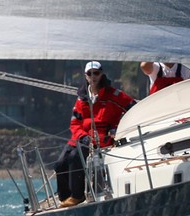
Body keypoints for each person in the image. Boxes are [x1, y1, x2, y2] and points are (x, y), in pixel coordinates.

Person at [55, 61, 136, 207]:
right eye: (90, 74)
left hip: (101, 139)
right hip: (81, 138)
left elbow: (133, 108)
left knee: (75, 158)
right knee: (60, 164)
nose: (93, 76)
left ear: (102, 74)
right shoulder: (81, 98)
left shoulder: (114, 95)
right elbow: (74, 123)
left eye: (96, 73)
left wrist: (118, 129)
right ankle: (64, 197)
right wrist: (82, 136)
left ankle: (77, 196)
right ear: (85, 76)